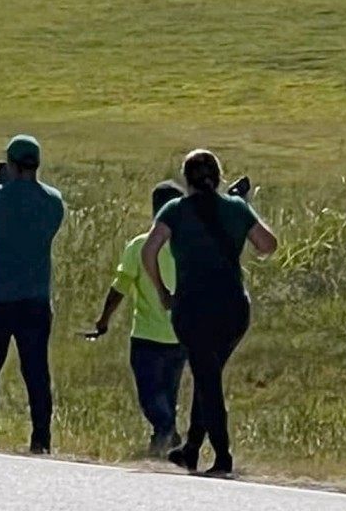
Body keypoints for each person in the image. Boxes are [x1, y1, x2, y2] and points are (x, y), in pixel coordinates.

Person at [142, 150, 277, 478]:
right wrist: (243, 208)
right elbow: (267, 244)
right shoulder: (236, 208)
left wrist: (163, 292)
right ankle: (190, 449)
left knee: (208, 378)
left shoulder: (174, 210)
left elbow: (149, 251)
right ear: (218, 177)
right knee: (208, 373)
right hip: (233, 308)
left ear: (186, 180)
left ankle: (222, 456)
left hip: (193, 307)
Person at [0, 135, 65, 454]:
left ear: (11, 163)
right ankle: (41, 437)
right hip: (35, 297)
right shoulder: (53, 201)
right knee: (36, 370)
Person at [88, 180, 186, 453]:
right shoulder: (188, 247)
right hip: (180, 336)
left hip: (147, 335)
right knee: (169, 391)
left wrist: (104, 319)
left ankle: (166, 430)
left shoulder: (140, 245)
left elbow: (119, 287)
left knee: (150, 394)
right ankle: (165, 438)